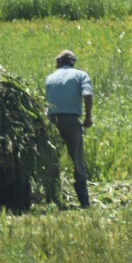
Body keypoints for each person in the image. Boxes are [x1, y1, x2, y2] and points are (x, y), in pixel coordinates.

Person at [44, 49, 93, 208]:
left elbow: (49, 101)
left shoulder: (50, 78)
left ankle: (52, 196)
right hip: (72, 121)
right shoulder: (81, 75)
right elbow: (87, 94)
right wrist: (88, 117)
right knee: (78, 159)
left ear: (59, 62)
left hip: (53, 122)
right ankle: (84, 201)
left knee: (52, 160)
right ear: (73, 61)